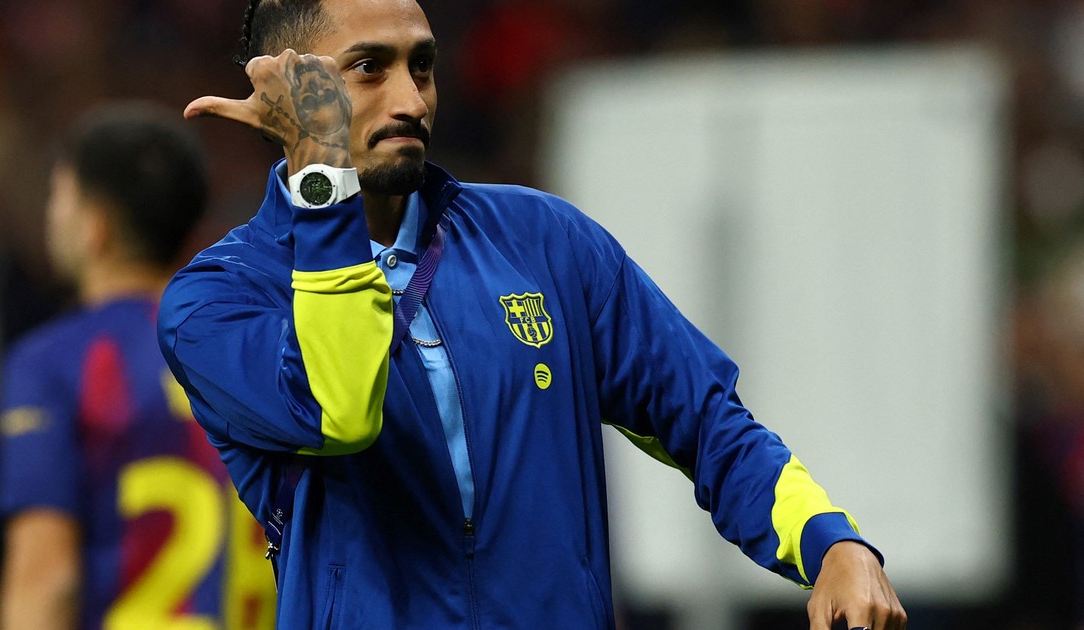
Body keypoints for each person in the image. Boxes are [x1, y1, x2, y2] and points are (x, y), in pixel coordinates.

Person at [159, 1, 908, 628]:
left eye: (422, 66)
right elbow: (340, 409)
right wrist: (320, 166)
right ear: (286, 96)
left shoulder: (544, 241)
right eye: (368, 69)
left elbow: (706, 420)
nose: (412, 101)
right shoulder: (218, 300)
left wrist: (832, 544)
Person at [0, 103, 276, 630]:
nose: (51, 215)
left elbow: (47, 579)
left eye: (60, 196)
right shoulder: (256, 347)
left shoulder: (54, 362)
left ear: (94, 227)